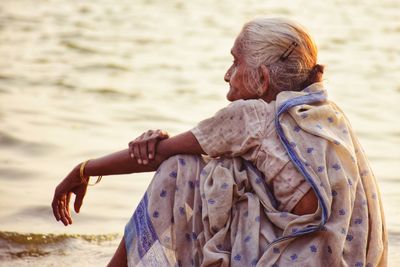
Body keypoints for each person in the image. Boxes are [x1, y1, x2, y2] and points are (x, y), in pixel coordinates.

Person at [52, 17, 387, 266]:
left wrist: (83, 170)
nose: (227, 74)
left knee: (178, 167)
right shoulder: (326, 114)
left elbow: (158, 156)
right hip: (335, 256)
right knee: (223, 167)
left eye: (235, 62)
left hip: (288, 254)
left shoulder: (250, 116)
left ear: (262, 78)